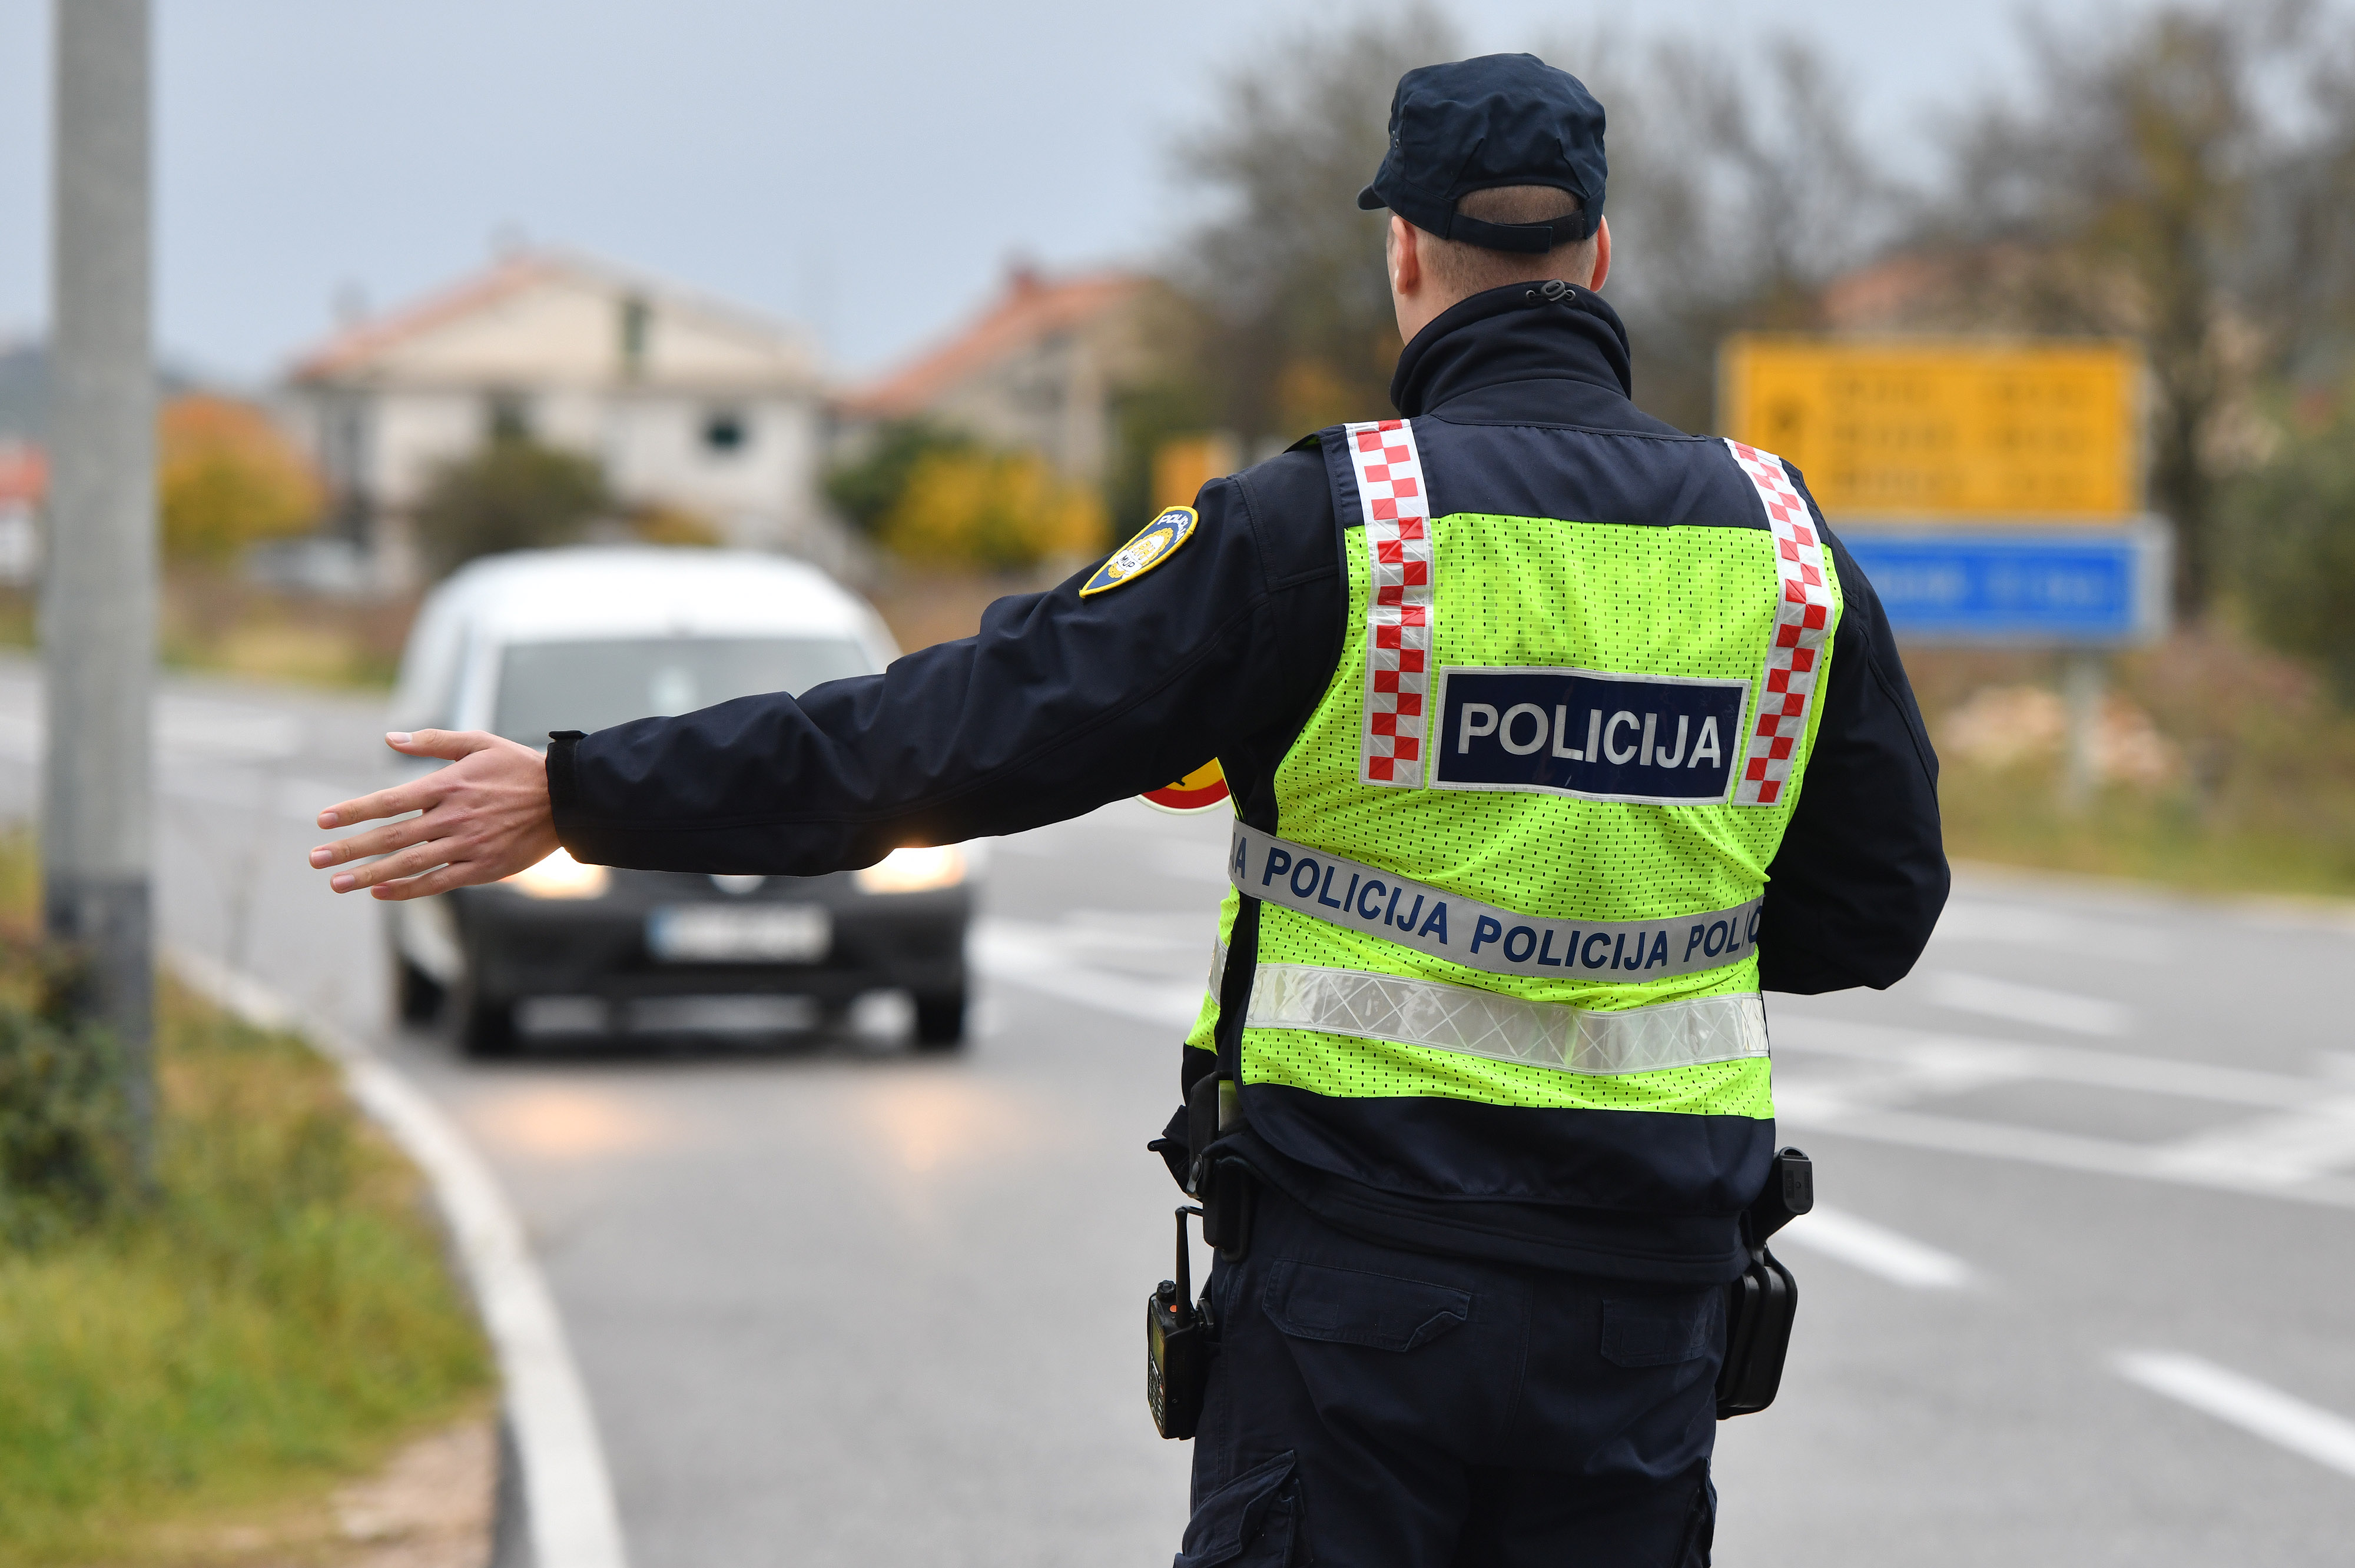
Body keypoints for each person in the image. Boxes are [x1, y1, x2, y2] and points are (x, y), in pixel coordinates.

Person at [310, 52, 1946, 1567]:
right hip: (1643, 1322)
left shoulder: (1334, 526)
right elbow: (1876, 911)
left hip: (1354, 1309)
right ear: (1597, 259)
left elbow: (943, 734)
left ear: (1405, 258)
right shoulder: (1782, 546)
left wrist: (582, 791)